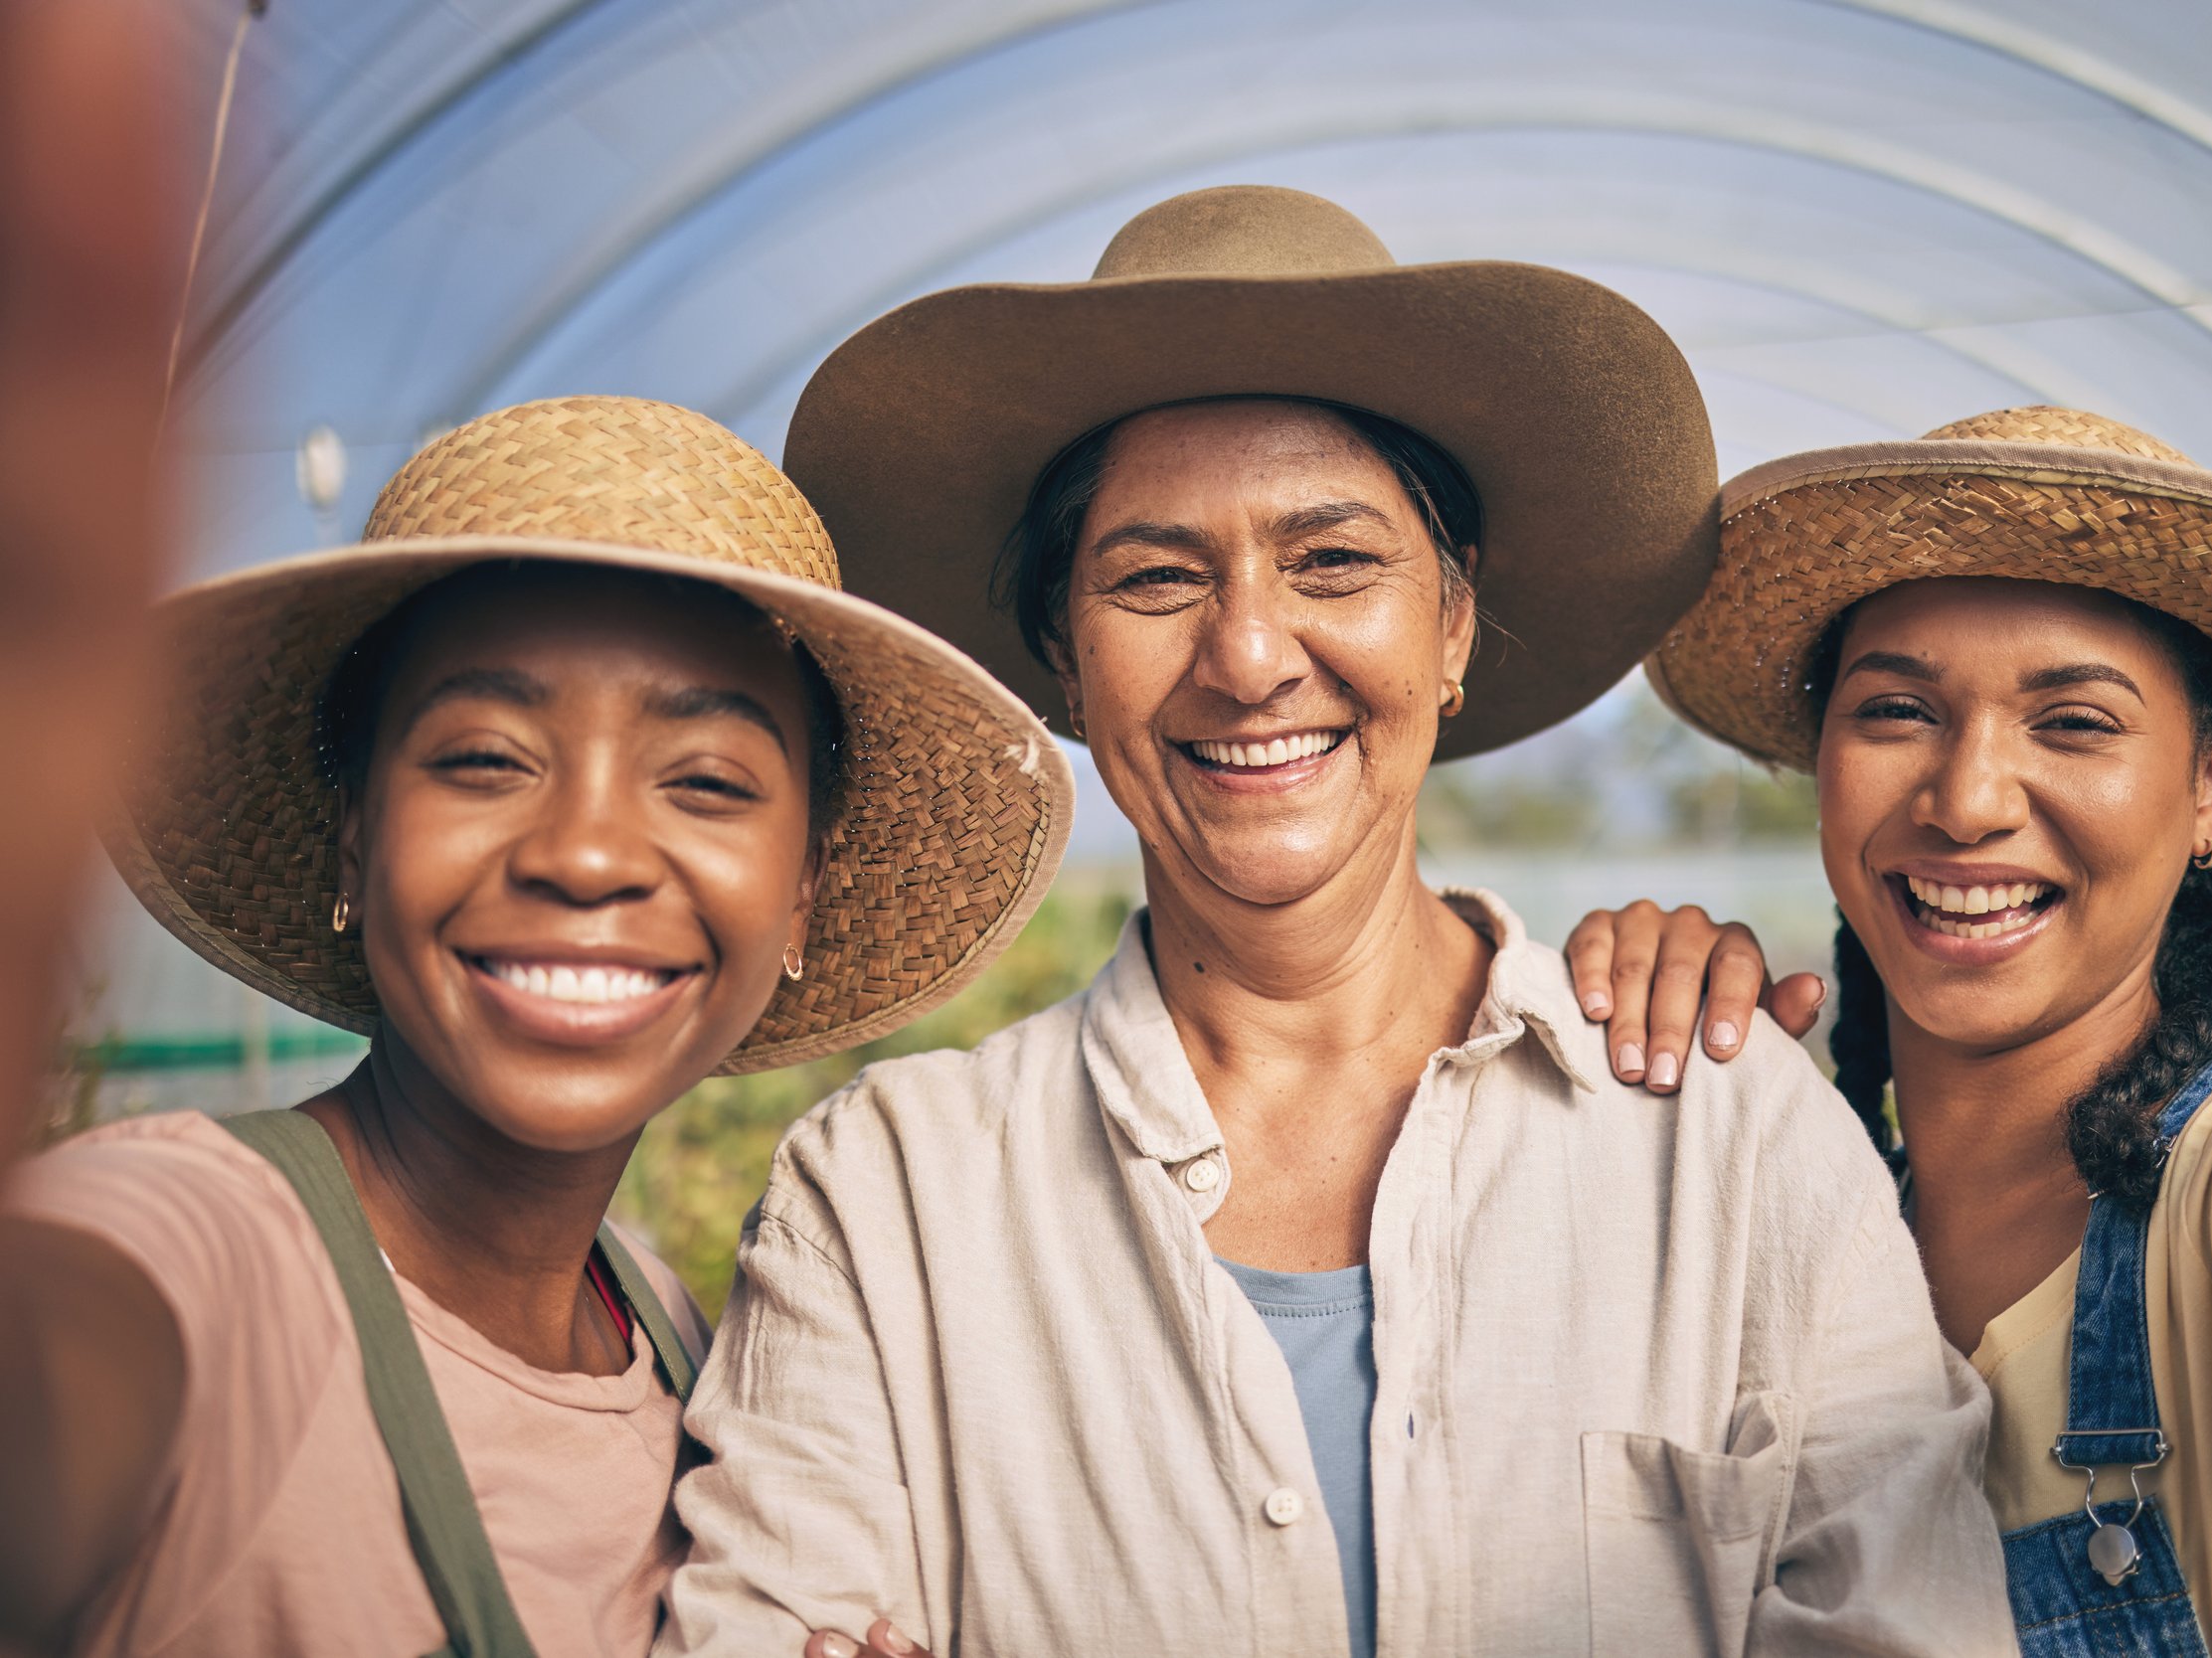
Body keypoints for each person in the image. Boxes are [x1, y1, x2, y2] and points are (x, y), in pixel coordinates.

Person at [662, 185, 2014, 1657]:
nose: (1247, 659)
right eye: (1157, 577)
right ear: (1066, 657)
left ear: (1449, 627)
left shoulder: (1730, 1141)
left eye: (1334, 564)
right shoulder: (888, 1203)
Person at [0, 386, 1071, 1656]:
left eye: (708, 782)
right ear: (355, 843)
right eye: (485, 760)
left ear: (800, 899)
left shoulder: (670, 1339)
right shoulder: (203, 1250)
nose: (587, 855)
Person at [1567, 371, 2212, 1652]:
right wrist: (1630, 1075)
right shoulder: (1802, 1252)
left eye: (2070, 721)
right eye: (1896, 710)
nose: (1965, 799)